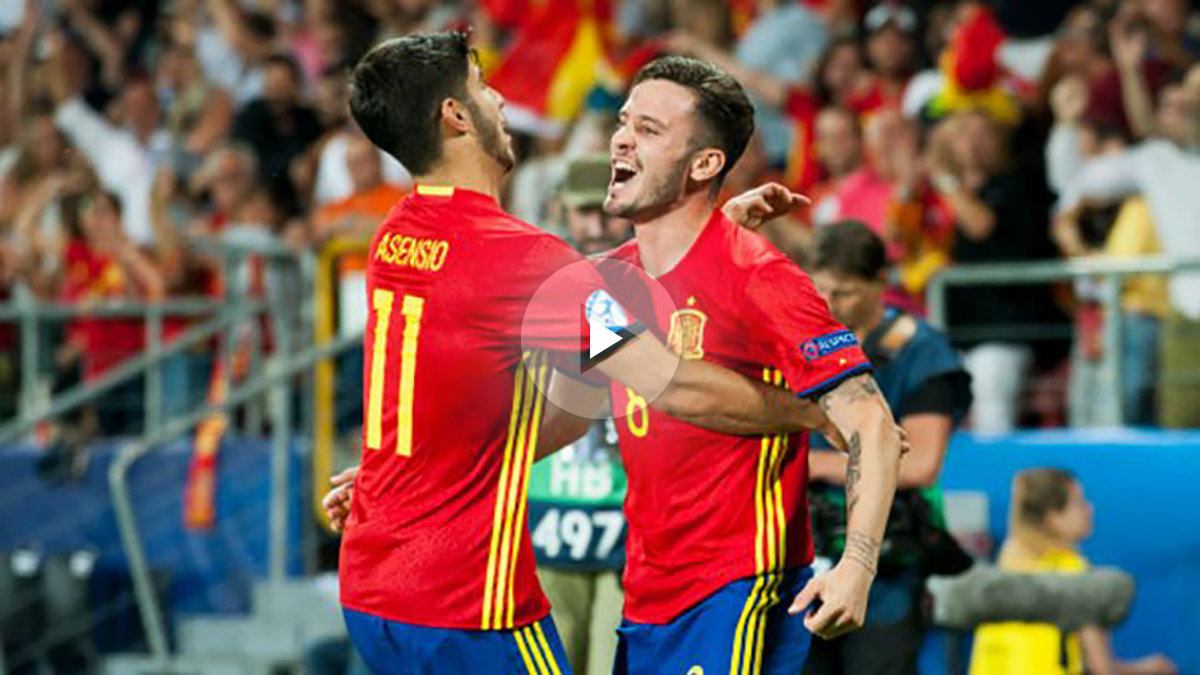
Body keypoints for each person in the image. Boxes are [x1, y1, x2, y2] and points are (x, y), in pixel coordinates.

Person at [336, 32, 850, 675]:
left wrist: (702, 235)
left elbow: (559, 382)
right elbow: (670, 385)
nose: (500, 99)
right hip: (466, 603)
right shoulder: (521, 258)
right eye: (482, 86)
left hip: (371, 586)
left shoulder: (397, 235)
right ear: (455, 116)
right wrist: (814, 412)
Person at [581, 56, 905, 674]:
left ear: (705, 164)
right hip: (647, 599)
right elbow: (664, 385)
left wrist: (857, 567)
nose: (621, 137)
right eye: (625, 122)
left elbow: (872, 423)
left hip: (739, 593)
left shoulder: (761, 276)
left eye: (650, 130)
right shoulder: (604, 282)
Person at [804, 220, 972, 675]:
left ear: (881, 282)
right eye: (822, 291)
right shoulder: (802, 341)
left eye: (845, 292)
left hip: (888, 569)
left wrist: (815, 465)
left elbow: (919, 464)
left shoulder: (921, 351)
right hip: (801, 559)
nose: (831, 305)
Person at [526, 154, 633, 675]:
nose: (595, 226)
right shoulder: (531, 287)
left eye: (607, 212)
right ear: (560, 211)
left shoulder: (654, 286)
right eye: (582, 212)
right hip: (547, 516)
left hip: (630, 523)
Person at [969, 468, 1177, 675]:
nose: (1089, 509)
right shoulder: (1074, 574)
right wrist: (1150, 669)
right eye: (1079, 502)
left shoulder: (1007, 562)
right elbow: (1100, 667)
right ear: (1054, 518)